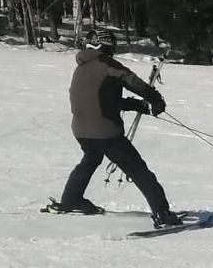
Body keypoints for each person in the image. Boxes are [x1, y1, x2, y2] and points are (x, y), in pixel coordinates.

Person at [52, 30, 183, 227]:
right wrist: (154, 99)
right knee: (138, 170)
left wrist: (135, 105)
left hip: (82, 131)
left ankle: (71, 200)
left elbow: (104, 99)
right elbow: (132, 81)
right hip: (105, 132)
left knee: (90, 160)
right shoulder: (107, 65)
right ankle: (162, 214)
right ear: (106, 46)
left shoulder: (82, 66)